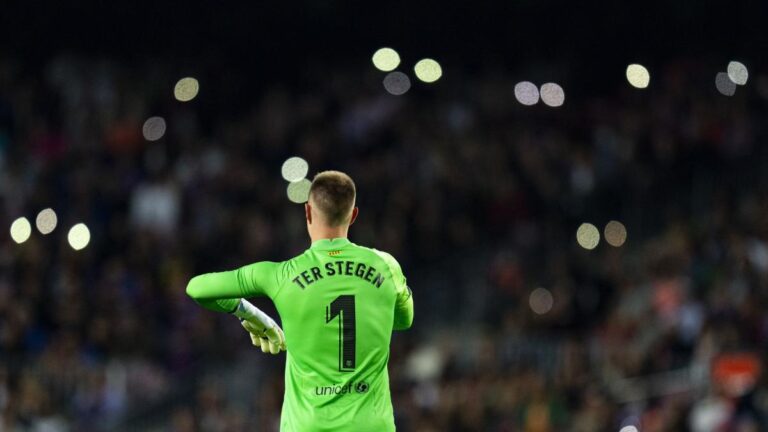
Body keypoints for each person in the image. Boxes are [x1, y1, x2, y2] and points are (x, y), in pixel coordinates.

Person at [186, 170, 414, 431]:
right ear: (353, 215)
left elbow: (197, 288)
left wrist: (249, 313)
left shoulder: (281, 274)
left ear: (307, 212)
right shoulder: (386, 266)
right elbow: (404, 320)